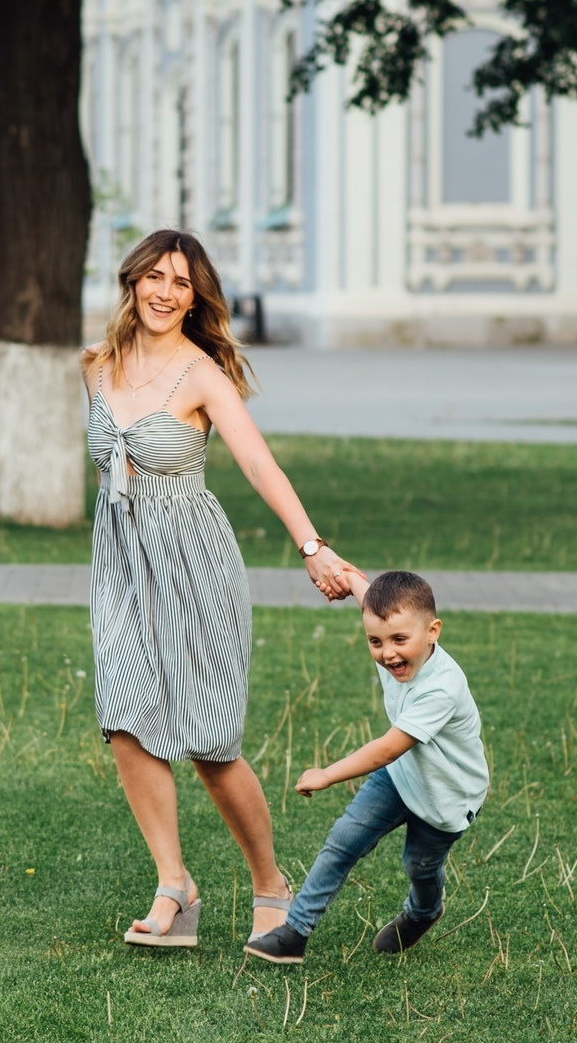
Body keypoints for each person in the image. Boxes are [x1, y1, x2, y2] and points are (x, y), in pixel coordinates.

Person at [84, 229, 365, 951]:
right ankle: (174, 885)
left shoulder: (202, 374)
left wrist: (312, 545)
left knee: (209, 739)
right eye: (153, 276)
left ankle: (271, 884)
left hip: (194, 560)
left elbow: (260, 464)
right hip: (121, 560)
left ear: (195, 295)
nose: (164, 291)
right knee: (123, 715)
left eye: (180, 281)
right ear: (132, 282)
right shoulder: (96, 368)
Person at [244, 571, 488, 966]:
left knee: (419, 866)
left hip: (445, 798)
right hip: (402, 777)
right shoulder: (398, 653)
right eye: (375, 642)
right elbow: (366, 594)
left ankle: (423, 913)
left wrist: (327, 774)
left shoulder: (441, 687)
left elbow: (387, 749)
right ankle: (294, 933)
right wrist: (338, 574)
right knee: (344, 839)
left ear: (433, 631)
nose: (387, 653)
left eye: (398, 641)